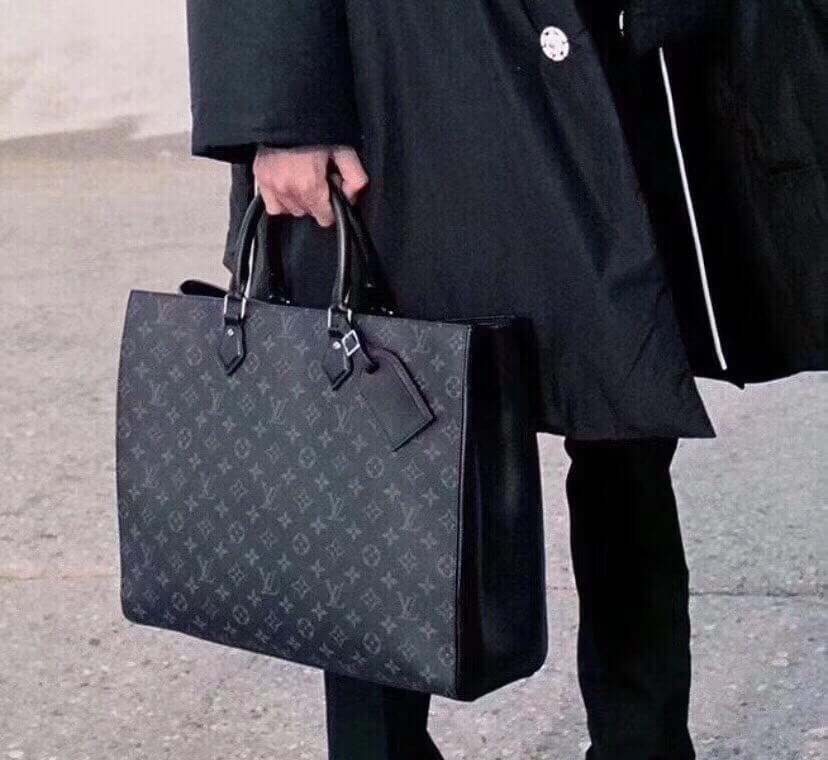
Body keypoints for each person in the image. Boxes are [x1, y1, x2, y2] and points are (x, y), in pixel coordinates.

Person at [184, 1, 826, 757]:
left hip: (603, 47)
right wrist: (284, 112)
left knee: (628, 421)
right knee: (376, 428)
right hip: (403, 73)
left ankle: (643, 743)